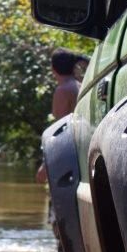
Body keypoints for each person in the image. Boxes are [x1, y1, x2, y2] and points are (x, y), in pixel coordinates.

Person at [35, 47, 88, 185]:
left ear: (53, 69)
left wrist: (45, 166)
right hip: (82, 153)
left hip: (69, 157)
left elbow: (61, 131)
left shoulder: (63, 90)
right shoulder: (80, 85)